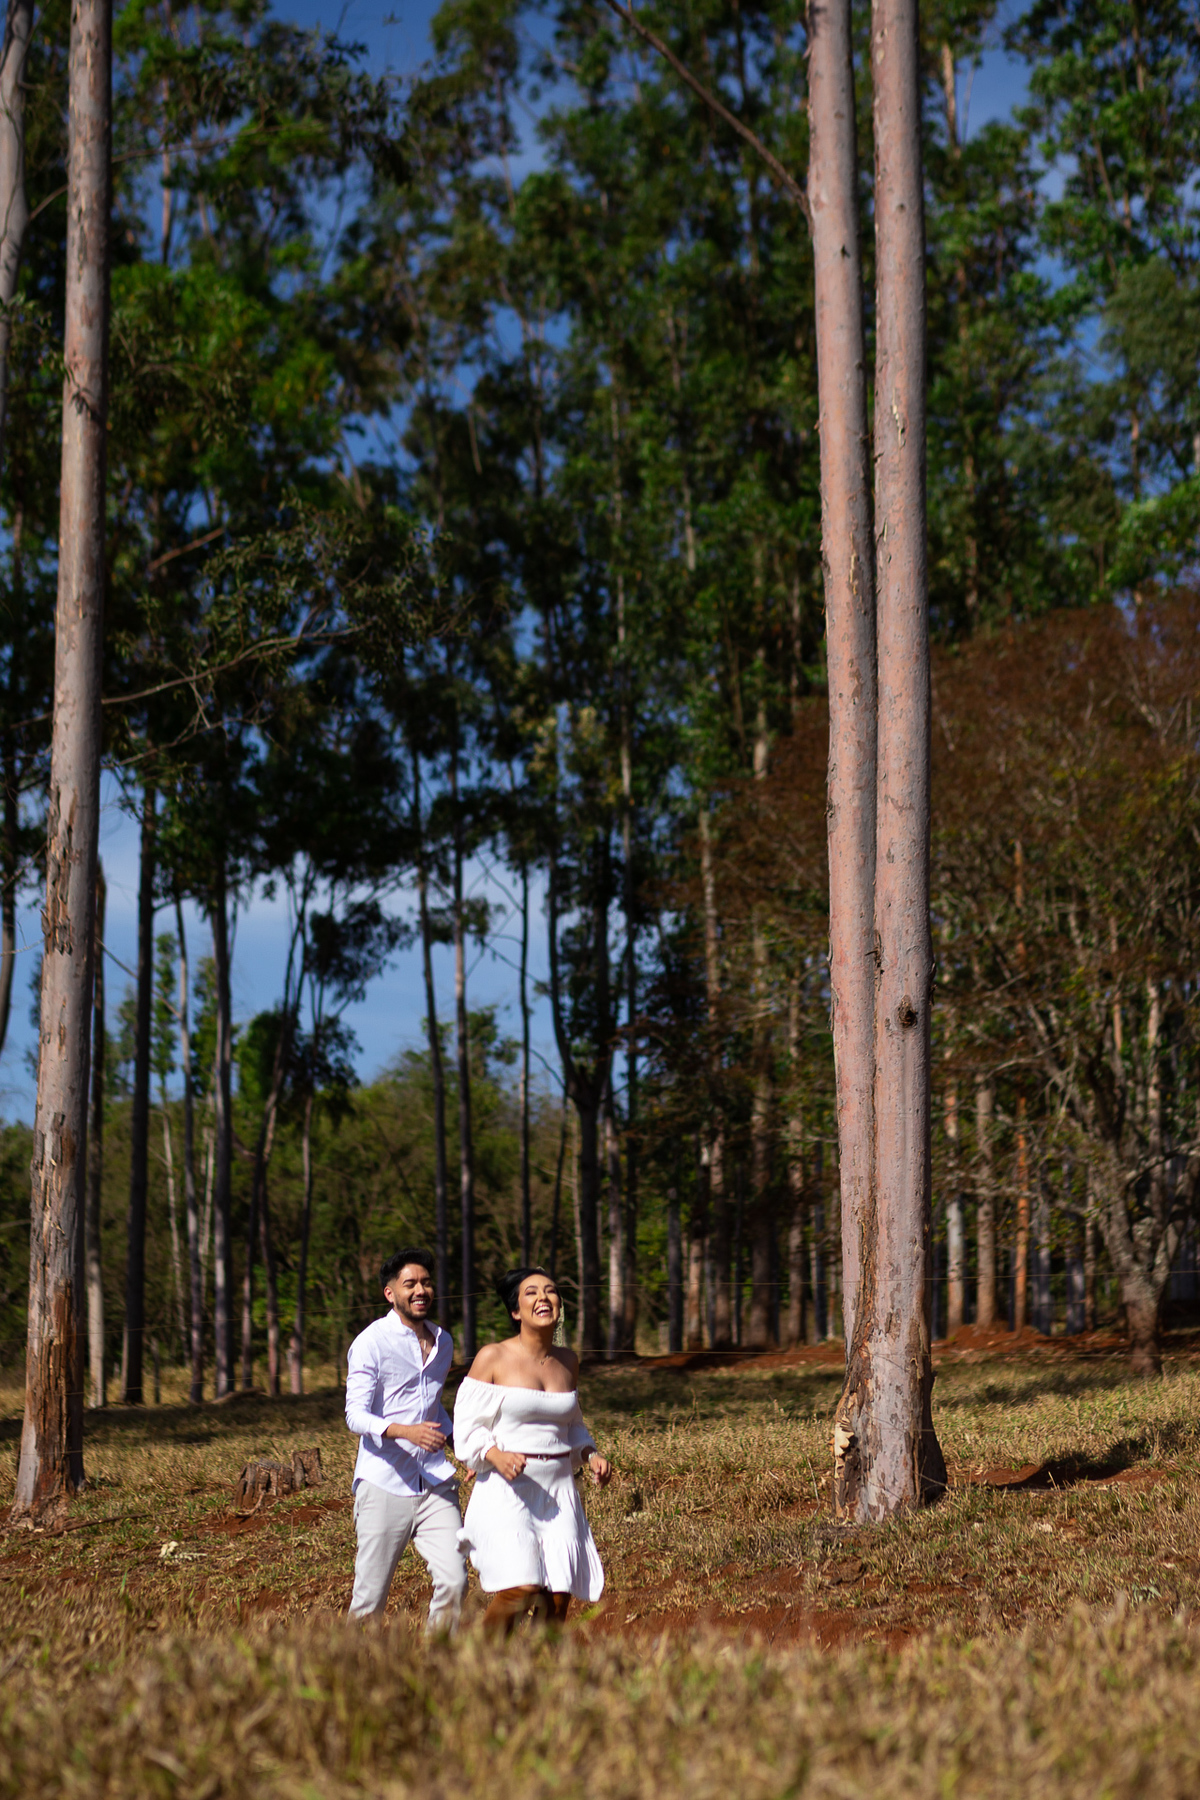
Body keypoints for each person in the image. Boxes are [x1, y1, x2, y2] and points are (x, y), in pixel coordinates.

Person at [453, 1265, 611, 1635]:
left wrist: (591, 1454)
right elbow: (466, 1425)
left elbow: (572, 1423)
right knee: (521, 1588)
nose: (543, 1297)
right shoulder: (493, 1357)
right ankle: (480, 1659)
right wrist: (494, 1455)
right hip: (509, 1490)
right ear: (515, 1311)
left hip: (559, 1491)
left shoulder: (568, 1361)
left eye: (551, 1290)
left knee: (557, 1598)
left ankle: (538, 1666)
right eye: (531, 1292)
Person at [344, 1247, 467, 1630]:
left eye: (426, 1282)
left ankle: (437, 1658)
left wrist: (462, 1448)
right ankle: (345, 1664)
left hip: (434, 1483)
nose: (420, 1290)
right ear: (390, 1293)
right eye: (409, 1283)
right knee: (369, 1599)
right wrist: (405, 1431)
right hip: (383, 1483)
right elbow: (355, 1415)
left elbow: (432, 1407)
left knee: (455, 1580)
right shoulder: (371, 1342)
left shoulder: (443, 1341)